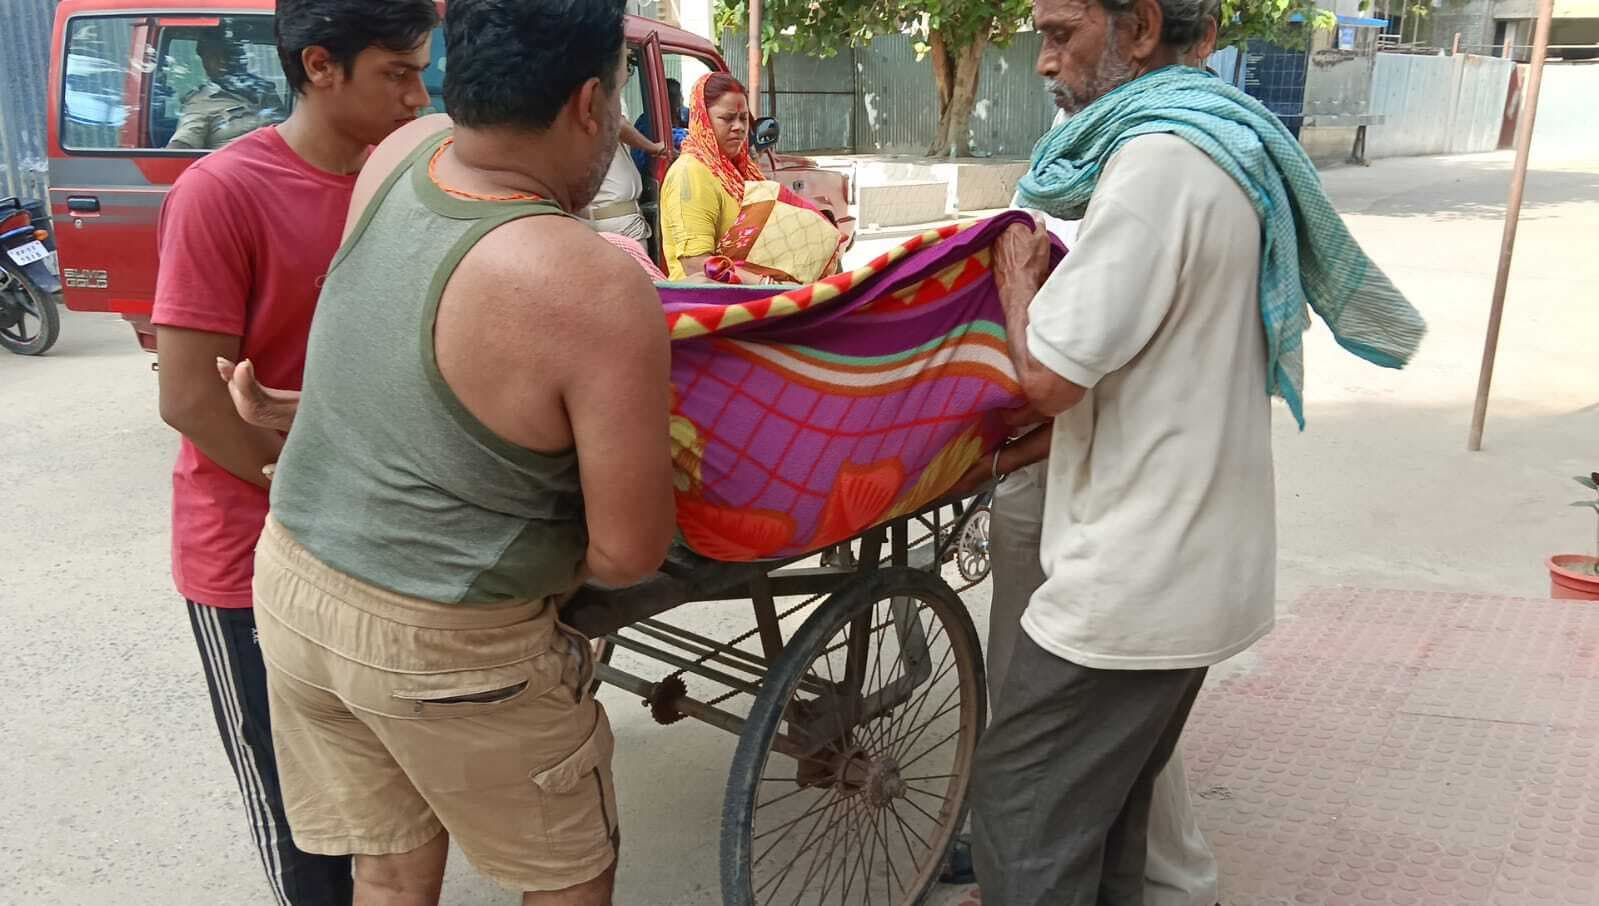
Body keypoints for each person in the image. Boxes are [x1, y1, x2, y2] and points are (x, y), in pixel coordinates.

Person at [969, 0, 1424, 904]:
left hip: (1131, 577)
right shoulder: (1226, 146)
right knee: (1109, 825)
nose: (1044, 63)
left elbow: (1052, 379)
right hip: (1191, 563)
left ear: (1138, 28)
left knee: (1021, 811)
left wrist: (1018, 286)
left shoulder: (1156, 165)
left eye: (1061, 35)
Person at [252, 2, 674, 905]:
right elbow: (628, 553)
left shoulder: (404, 152)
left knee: (391, 874)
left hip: (295, 584)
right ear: (591, 104)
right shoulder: (589, 282)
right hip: (440, 639)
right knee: (565, 873)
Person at [151, 0, 438, 903]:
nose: (418, 95)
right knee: (307, 836)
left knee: (392, 811)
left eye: (420, 71)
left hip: (378, 549)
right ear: (320, 66)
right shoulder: (222, 192)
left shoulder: (403, 181)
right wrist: (308, 497)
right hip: (252, 557)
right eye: (396, 72)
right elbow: (188, 396)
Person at [658, 72, 760, 279]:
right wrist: (764, 282)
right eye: (727, 118)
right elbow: (697, 265)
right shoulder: (691, 173)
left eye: (743, 118)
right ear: (702, 119)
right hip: (713, 304)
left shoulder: (741, 169)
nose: (739, 127)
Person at [167, 28, 287, 150]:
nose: (222, 61)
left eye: (228, 54)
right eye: (213, 56)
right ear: (204, 62)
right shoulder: (200, 104)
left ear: (241, 57)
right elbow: (178, 149)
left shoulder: (264, 89)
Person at [631, 76, 688, 175]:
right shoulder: (649, 122)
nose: (682, 99)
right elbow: (680, 138)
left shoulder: (680, 115)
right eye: (679, 95)